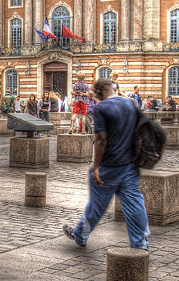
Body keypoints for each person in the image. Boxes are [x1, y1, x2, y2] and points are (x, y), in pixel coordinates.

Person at [63, 78, 150, 250]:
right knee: (135, 206)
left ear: (100, 92)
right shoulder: (131, 103)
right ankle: (140, 245)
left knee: (96, 207)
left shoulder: (102, 108)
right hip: (130, 164)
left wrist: (96, 167)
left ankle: (80, 234)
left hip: (109, 166)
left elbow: (101, 140)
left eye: (95, 93)